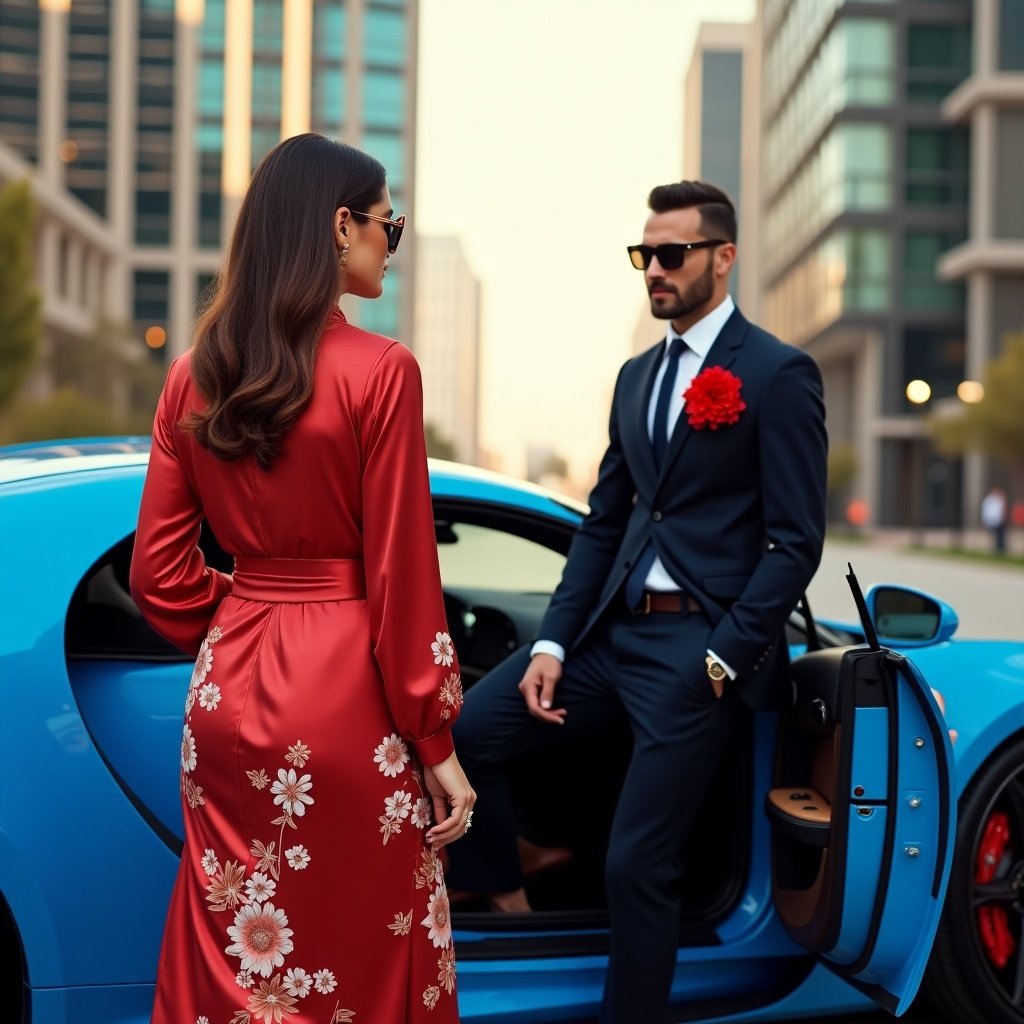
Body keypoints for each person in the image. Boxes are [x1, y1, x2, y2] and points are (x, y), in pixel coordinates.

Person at [445, 181, 828, 1024]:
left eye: (671, 254)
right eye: (642, 255)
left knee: (635, 866)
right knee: (466, 732)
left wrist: (726, 656)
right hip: (609, 643)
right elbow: (605, 523)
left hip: (699, 655)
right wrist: (551, 646)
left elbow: (796, 541)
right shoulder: (636, 377)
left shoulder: (778, 373)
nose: (652, 269)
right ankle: (506, 901)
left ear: (723, 259)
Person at [130, 133, 475, 1024]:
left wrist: (252, 609)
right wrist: (436, 742)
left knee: (233, 951)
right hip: (344, 701)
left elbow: (161, 577)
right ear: (338, 226)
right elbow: (404, 577)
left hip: (227, 700)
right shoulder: (382, 372)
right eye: (385, 226)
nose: (388, 244)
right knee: (371, 949)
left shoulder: (191, 378)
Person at [981, 485, 1008, 554]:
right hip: (994, 520)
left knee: (1000, 536)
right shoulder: (991, 500)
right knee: (997, 536)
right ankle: (998, 550)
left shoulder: (997, 499)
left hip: (998, 520)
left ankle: (1000, 549)